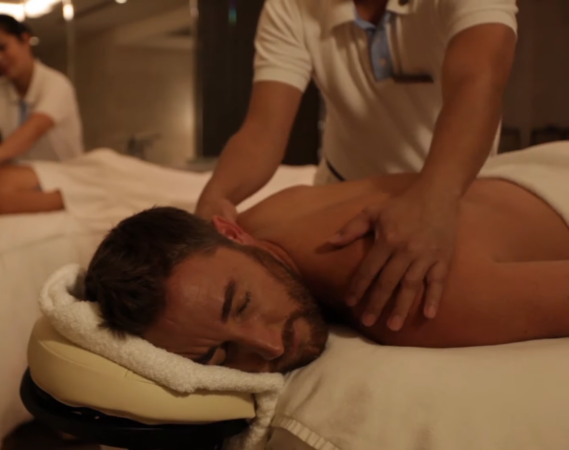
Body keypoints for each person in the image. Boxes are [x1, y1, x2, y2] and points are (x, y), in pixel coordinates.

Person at [82, 143, 569, 374]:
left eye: (244, 304)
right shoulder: (264, 219)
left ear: (232, 232)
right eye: (220, 356)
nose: (267, 349)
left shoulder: (399, 289)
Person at [194, 0, 518, 331]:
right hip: (342, 194)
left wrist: (435, 200)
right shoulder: (291, 6)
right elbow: (263, 128)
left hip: (451, 190)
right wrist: (215, 197)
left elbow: (479, 80)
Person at [0, 14, 83, 200]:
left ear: (25, 39)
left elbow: (35, 128)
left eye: (2, 47)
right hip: (23, 178)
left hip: (63, 177)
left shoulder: (56, 84)